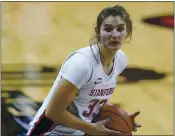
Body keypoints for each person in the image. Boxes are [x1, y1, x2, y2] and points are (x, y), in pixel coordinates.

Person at [27, 5, 141, 136]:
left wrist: (122, 119)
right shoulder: (82, 64)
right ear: (98, 32)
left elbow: (92, 98)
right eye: (108, 29)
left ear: (128, 33)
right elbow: (53, 112)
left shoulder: (121, 60)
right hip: (50, 132)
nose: (115, 35)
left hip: (79, 132)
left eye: (120, 29)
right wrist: (91, 129)